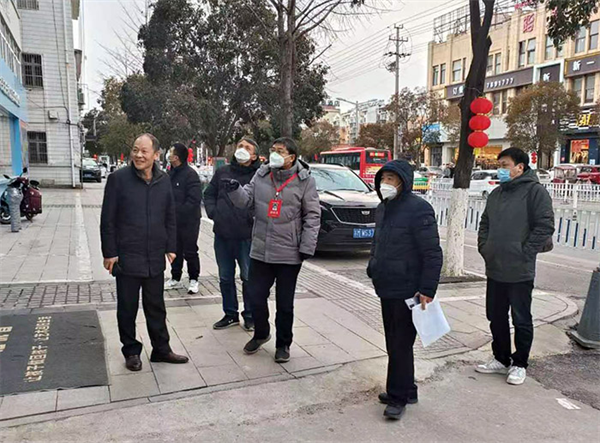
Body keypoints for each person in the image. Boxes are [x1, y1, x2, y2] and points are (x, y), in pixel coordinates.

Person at [222, 137, 320, 363]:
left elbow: (313, 215)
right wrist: (235, 190)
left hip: (289, 253)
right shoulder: (262, 174)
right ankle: (261, 333)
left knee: (284, 304)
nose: (274, 154)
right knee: (255, 296)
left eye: (280, 151)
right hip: (261, 249)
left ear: (291, 157)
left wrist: (307, 246)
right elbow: (246, 200)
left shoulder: (305, 181)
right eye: (273, 150)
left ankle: (283, 344)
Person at [100, 133, 189, 371]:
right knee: (127, 308)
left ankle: (161, 349)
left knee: (156, 306)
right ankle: (131, 351)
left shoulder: (163, 180)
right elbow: (107, 219)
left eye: (144, 151)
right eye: (135, 150)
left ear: (156, 155)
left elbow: (170, 215)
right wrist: (109, 253)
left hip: (154, 256)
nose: (138, 155)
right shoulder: (118, 179)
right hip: (127, 256)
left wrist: (171, 246)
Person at [367, 159, 443, 421]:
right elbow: (378, 243)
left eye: (391, 178)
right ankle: (407, 389)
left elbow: (432, 252)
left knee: (400, 344)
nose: (385, 183)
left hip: (408, 288)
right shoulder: (383, 207)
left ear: (404, 181)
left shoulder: (419, 209)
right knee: (394, 342)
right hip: (386, 285)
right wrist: (373, 266)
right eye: (383, 178)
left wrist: (427, 288)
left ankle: (397, 397)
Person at [476, 147, 554, 385]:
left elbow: (545, 226)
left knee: (521, 318)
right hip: (495, 266)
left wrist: (525, 252)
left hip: (520, 269)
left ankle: (520, 364)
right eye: (499, 165)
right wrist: (485, 247)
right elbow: (485, 223)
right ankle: (501, 358)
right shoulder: (497, 193)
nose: (500, 169)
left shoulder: (535, 192)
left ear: (520, 167)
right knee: (495, 316)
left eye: (505, 165)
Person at [204, 137, 261, 331]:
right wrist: (214, 213)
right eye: (240, 146)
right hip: (223, 234)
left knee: (248, 277)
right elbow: (209, 194)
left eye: (247, 147)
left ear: (254, 155)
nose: (242, 149)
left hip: (247, 236)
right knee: (225, 277)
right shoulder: (223, 172)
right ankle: (230, 314)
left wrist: (253, 218)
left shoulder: (259, 176)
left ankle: (250, 315)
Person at [164, 143, 203, 294]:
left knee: (190, 250)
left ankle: (193, 279)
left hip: (189, 221)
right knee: (174, 249)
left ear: (177, 157)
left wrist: (178, 212)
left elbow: (194, 200)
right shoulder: (169, 174)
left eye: (171, 152)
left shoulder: (190, 174)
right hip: (173, 222)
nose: (168, 154)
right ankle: (175, 277)